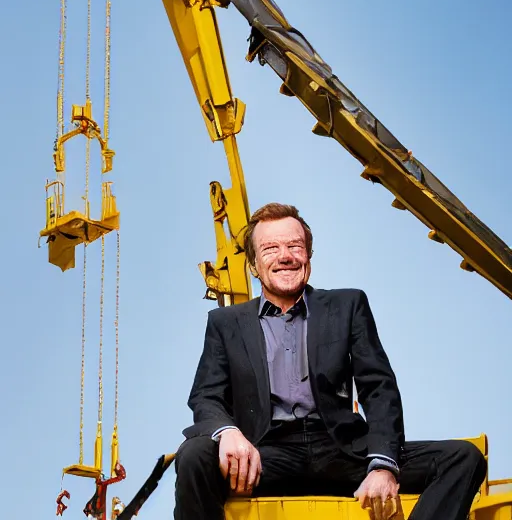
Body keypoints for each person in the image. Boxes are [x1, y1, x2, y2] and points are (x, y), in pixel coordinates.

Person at [174, 203, 486, 520]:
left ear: (308, 255)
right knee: (193, 456)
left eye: (294, 246)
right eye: (270, 249)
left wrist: (382, 465)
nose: (285, 256)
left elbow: (378, 387)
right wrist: (228, 432)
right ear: (254, 265)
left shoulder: (347, 304)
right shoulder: (225, 322)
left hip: (342, 450)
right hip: (266, 453)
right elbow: (206, 395)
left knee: (463, 457)